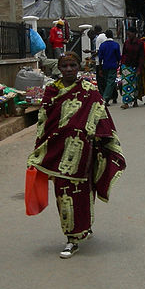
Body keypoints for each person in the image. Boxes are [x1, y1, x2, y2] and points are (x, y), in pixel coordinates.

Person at [27, 53, 126, 258]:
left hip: (84, 154)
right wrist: (40, 149)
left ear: (79, 67)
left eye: (73, 65)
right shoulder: (52, 91)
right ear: (59, 68)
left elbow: (102, 116)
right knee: (64, 195)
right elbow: (43, 121)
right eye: (65, 66)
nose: (69, 69)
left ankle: (82, 229)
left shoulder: (90, 91)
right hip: (57, 152)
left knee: (83, 193)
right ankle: (71, 237)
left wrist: (101, 138)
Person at [120, 27, 144, 109]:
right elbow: (123, 54)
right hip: (126, 66)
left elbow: (141, 57)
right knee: (125, 84)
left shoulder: (140, 43)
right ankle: (126, 102)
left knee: (135, 84)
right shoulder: (126, 43)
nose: (128, 35)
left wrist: (139, 68)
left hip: (135, 66)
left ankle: (135, 101)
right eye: (127, 33)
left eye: (130, 33)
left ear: (134, 33)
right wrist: (121, 66)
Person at [97, 30, 121, 104]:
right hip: (113, 65)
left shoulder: (102, 45)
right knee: (111, 82)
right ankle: (106, 98)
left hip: (105, 66)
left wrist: (100, 67)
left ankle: (114, 97)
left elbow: (100, 57)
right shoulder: (116, 45)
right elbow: (118, 56)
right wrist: (119, 64)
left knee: (109, 82)